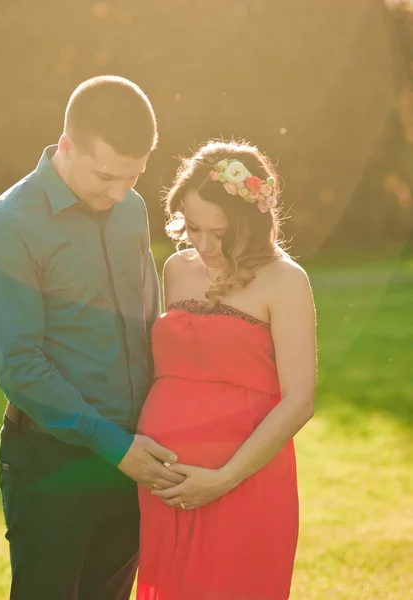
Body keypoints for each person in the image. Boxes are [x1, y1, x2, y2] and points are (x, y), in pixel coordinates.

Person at [0, 75, 185, 600]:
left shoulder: (130, 209)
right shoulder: (5, 230)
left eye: (131, 177)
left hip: (134, 456)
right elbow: (20, 365)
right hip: (52, 465)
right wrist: (114, 445)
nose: (118, 193)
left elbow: (145, 321)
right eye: (106, 175)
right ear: (66, 146)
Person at [136, 140, 317, 600]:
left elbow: (299, 401)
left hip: (245, 481)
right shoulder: (176, 268)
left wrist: (223, 478)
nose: (203, 244)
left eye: (220, 233)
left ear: (252, 224)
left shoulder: (286, 280)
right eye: (193, 227)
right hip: (167, 485)